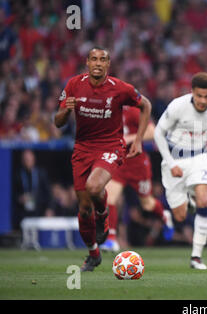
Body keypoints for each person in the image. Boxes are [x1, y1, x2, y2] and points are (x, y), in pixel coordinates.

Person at [54, 46, 151, 271]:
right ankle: (93, 253)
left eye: (103, 60)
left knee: (94, 186)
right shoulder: (73, 85)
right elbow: (58, 122)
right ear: (87, 62)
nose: (98, 63)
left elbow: (145, 105)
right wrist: (66, 111)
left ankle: (104, 213)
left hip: (110, 146)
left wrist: (137, 141)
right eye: (94, 59)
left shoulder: (120, 89)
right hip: (82, 149)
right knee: (83, 208)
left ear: (108, 64)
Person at [153, 72, 207, 270]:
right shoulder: (178, 106)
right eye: (199, 96)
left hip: (199, 158)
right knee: (180, 216)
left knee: (205, 201)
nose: (203, 101)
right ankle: (189, 203)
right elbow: (158, 133)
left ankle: (196, 257)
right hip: (174, 159)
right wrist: (170, 163)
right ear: (192, 92)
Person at [100, 105, 173, 252]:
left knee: (147, 203)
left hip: (137, 163)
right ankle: (111, 239)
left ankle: (164, 216)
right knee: (110, 198)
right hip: (119, 162)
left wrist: (129, 138)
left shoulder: (132, 111)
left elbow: (152, 132)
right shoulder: (103, 112)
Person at [13, 149, 51, 229]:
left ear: (33, 160)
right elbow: (13, 193)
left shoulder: (41, 174)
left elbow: (48, 193)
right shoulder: (18, 175)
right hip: (23, 212)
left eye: (29, 159)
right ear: (22, 161)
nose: (27, 162)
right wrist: (19, 198)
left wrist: (49, 208)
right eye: (25, 160)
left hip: (39, 210)